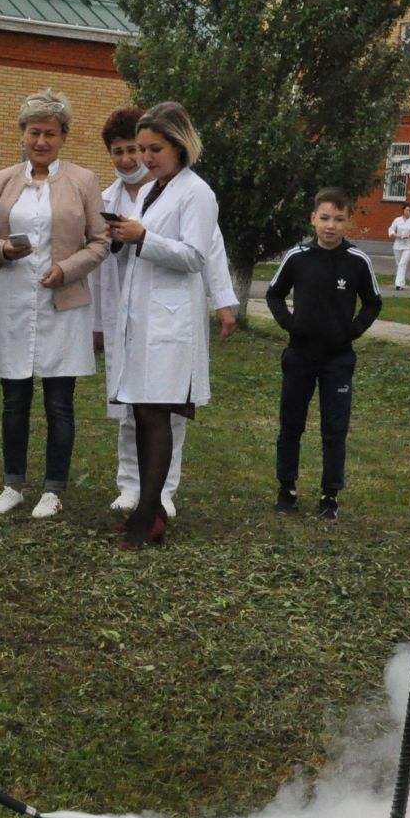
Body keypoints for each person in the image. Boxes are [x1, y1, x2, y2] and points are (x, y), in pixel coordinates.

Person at [88, 105, 236, 523]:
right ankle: (135, 491)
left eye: (153, 149)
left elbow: (198, 253)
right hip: (139, 318)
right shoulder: (155, 190)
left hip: (170, 322)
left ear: (179, 144)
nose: (144, 158)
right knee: (135, 408)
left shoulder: (195, 192)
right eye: (140, 149)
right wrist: (125, 238)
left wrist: (142, 237)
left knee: (162, 414)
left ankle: (157, 499)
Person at [0, 89, 108, 520]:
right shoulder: (2, 180)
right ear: (23, 135)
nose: (42, 141)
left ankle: (53, 488)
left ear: (63, 136)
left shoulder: (83, 181)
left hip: (61, 303)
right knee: (14, 400)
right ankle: (13, 483)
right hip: (12, 299)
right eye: (35, 132)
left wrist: (66, 269)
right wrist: (2, 250)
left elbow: (100, 242)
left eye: (51, 133)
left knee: (58, 402)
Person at [264, 188, 381, 521]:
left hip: (337, 361)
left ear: (348, 223)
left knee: (334, 429)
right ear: (313, 219)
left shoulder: (357, 261)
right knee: (290, 426)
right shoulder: (297, 257)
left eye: (339, 219)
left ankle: (330, 495)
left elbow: (373, 303)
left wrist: (352, 330)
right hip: (299, 356)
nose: (331, 226)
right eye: (325, 218)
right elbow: (274, 294)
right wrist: (289, 323)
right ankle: (286, 489)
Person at [388, 202, 410, 290]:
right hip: (398, 244)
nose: (408, 212)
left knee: (402, 263)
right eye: (406, 210)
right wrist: (396, 235)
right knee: (399, 264)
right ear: (403, 210)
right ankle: (402, 283)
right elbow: (391, 230)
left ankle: (398, 284)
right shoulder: (397, 220)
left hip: (409, 245)